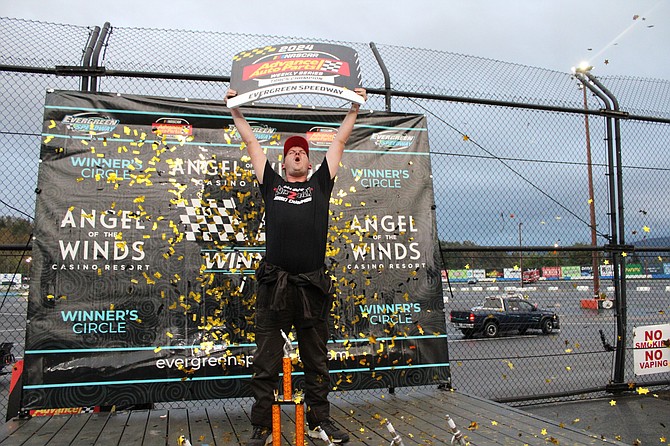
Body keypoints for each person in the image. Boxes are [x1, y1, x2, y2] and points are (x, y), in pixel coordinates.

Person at [224, 87, 367, 445]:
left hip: (312, 287)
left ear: (309, 161)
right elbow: (253, 146)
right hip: (275, 286)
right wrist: (236, 110)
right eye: (292, 153)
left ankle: (319, 422)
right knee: (266, 362)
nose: (299, 155)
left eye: (303, 152)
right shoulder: (271, 184)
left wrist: (353, 108)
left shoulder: (321, 184)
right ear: (284, 163)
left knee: (316, 361)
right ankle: (264, 426)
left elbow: (338, 143)